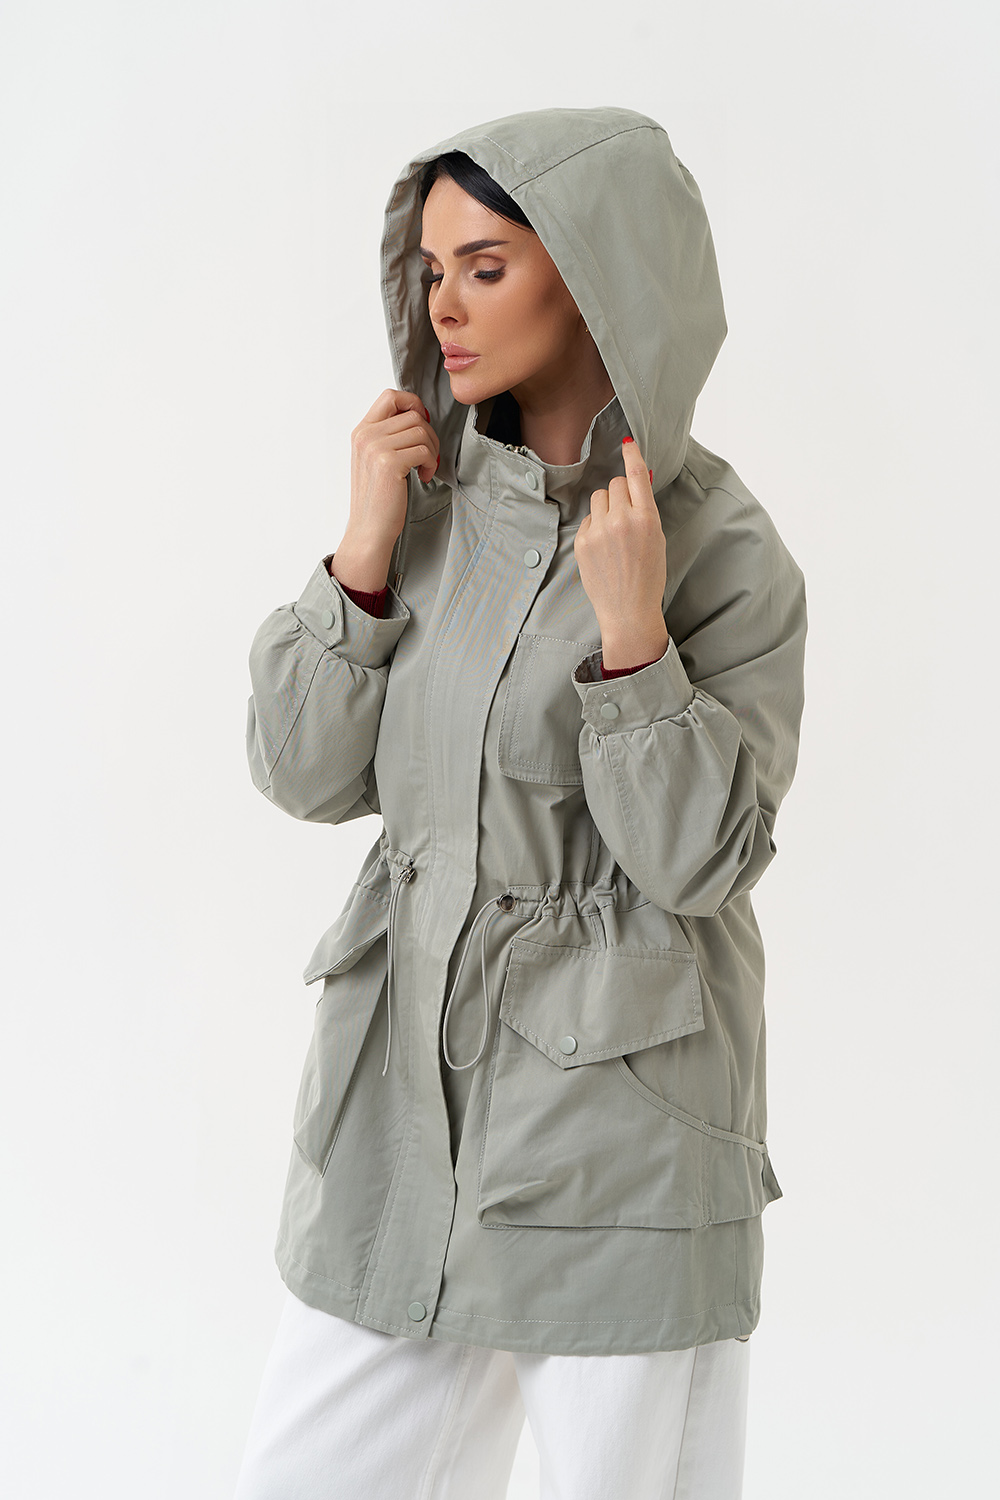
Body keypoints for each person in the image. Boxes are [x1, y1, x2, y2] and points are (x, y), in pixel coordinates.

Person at [235, 105, 808, 1500]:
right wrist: (362, 556)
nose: (445, 307)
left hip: (620, 1146)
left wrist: (635, 644)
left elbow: (701, 861)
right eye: (433, 271)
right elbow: (301, 774)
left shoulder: (724, 552)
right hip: (400, 1133)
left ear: (600, 275)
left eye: (486, 268)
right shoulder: (428, 508)